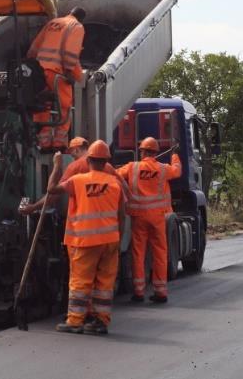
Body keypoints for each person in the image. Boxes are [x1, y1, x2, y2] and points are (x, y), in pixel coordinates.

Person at [45, 140, 126, 335]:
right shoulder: (115, 184)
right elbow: (121, 214)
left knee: (81, 282)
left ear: (88, 159)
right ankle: (100, 322)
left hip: (85, 241)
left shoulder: (78, 181)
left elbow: (51, 190)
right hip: (110, 241)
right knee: (104, 284)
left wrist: (57, 165)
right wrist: (118, 238)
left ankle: (75, 320)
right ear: (106, 161)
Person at [116, 136, 181, 304]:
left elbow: (116, 175)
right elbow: (177, 171)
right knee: (160, 252)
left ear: (142, 151)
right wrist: (174, 155)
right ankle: (160, 291)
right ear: (156, 152)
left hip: (139, 217)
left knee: (138, 253)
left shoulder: (133, 167)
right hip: (158, 217)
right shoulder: (163, 169)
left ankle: (138, 292)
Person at [26, 7, 86, 149]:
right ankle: (59, 143)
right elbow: (70, 53)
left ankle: (43, 142)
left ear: (70, 12)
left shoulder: (53, 22)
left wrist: (30, 63)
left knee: (42, 106)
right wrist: (70, 73)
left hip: (39, 72)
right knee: (64, 107)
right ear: (81, 18)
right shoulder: (77, 26)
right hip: (58, 73)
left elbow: (35, 46)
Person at [18, 136, 122, 216]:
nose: (73, 158)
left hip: (84, 229)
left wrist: (33, 207)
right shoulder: (109, 168)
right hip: (106, 228)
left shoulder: (75, 167)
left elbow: (53, 193)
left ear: (76, 150)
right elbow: (123, 193)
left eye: (73, 155)